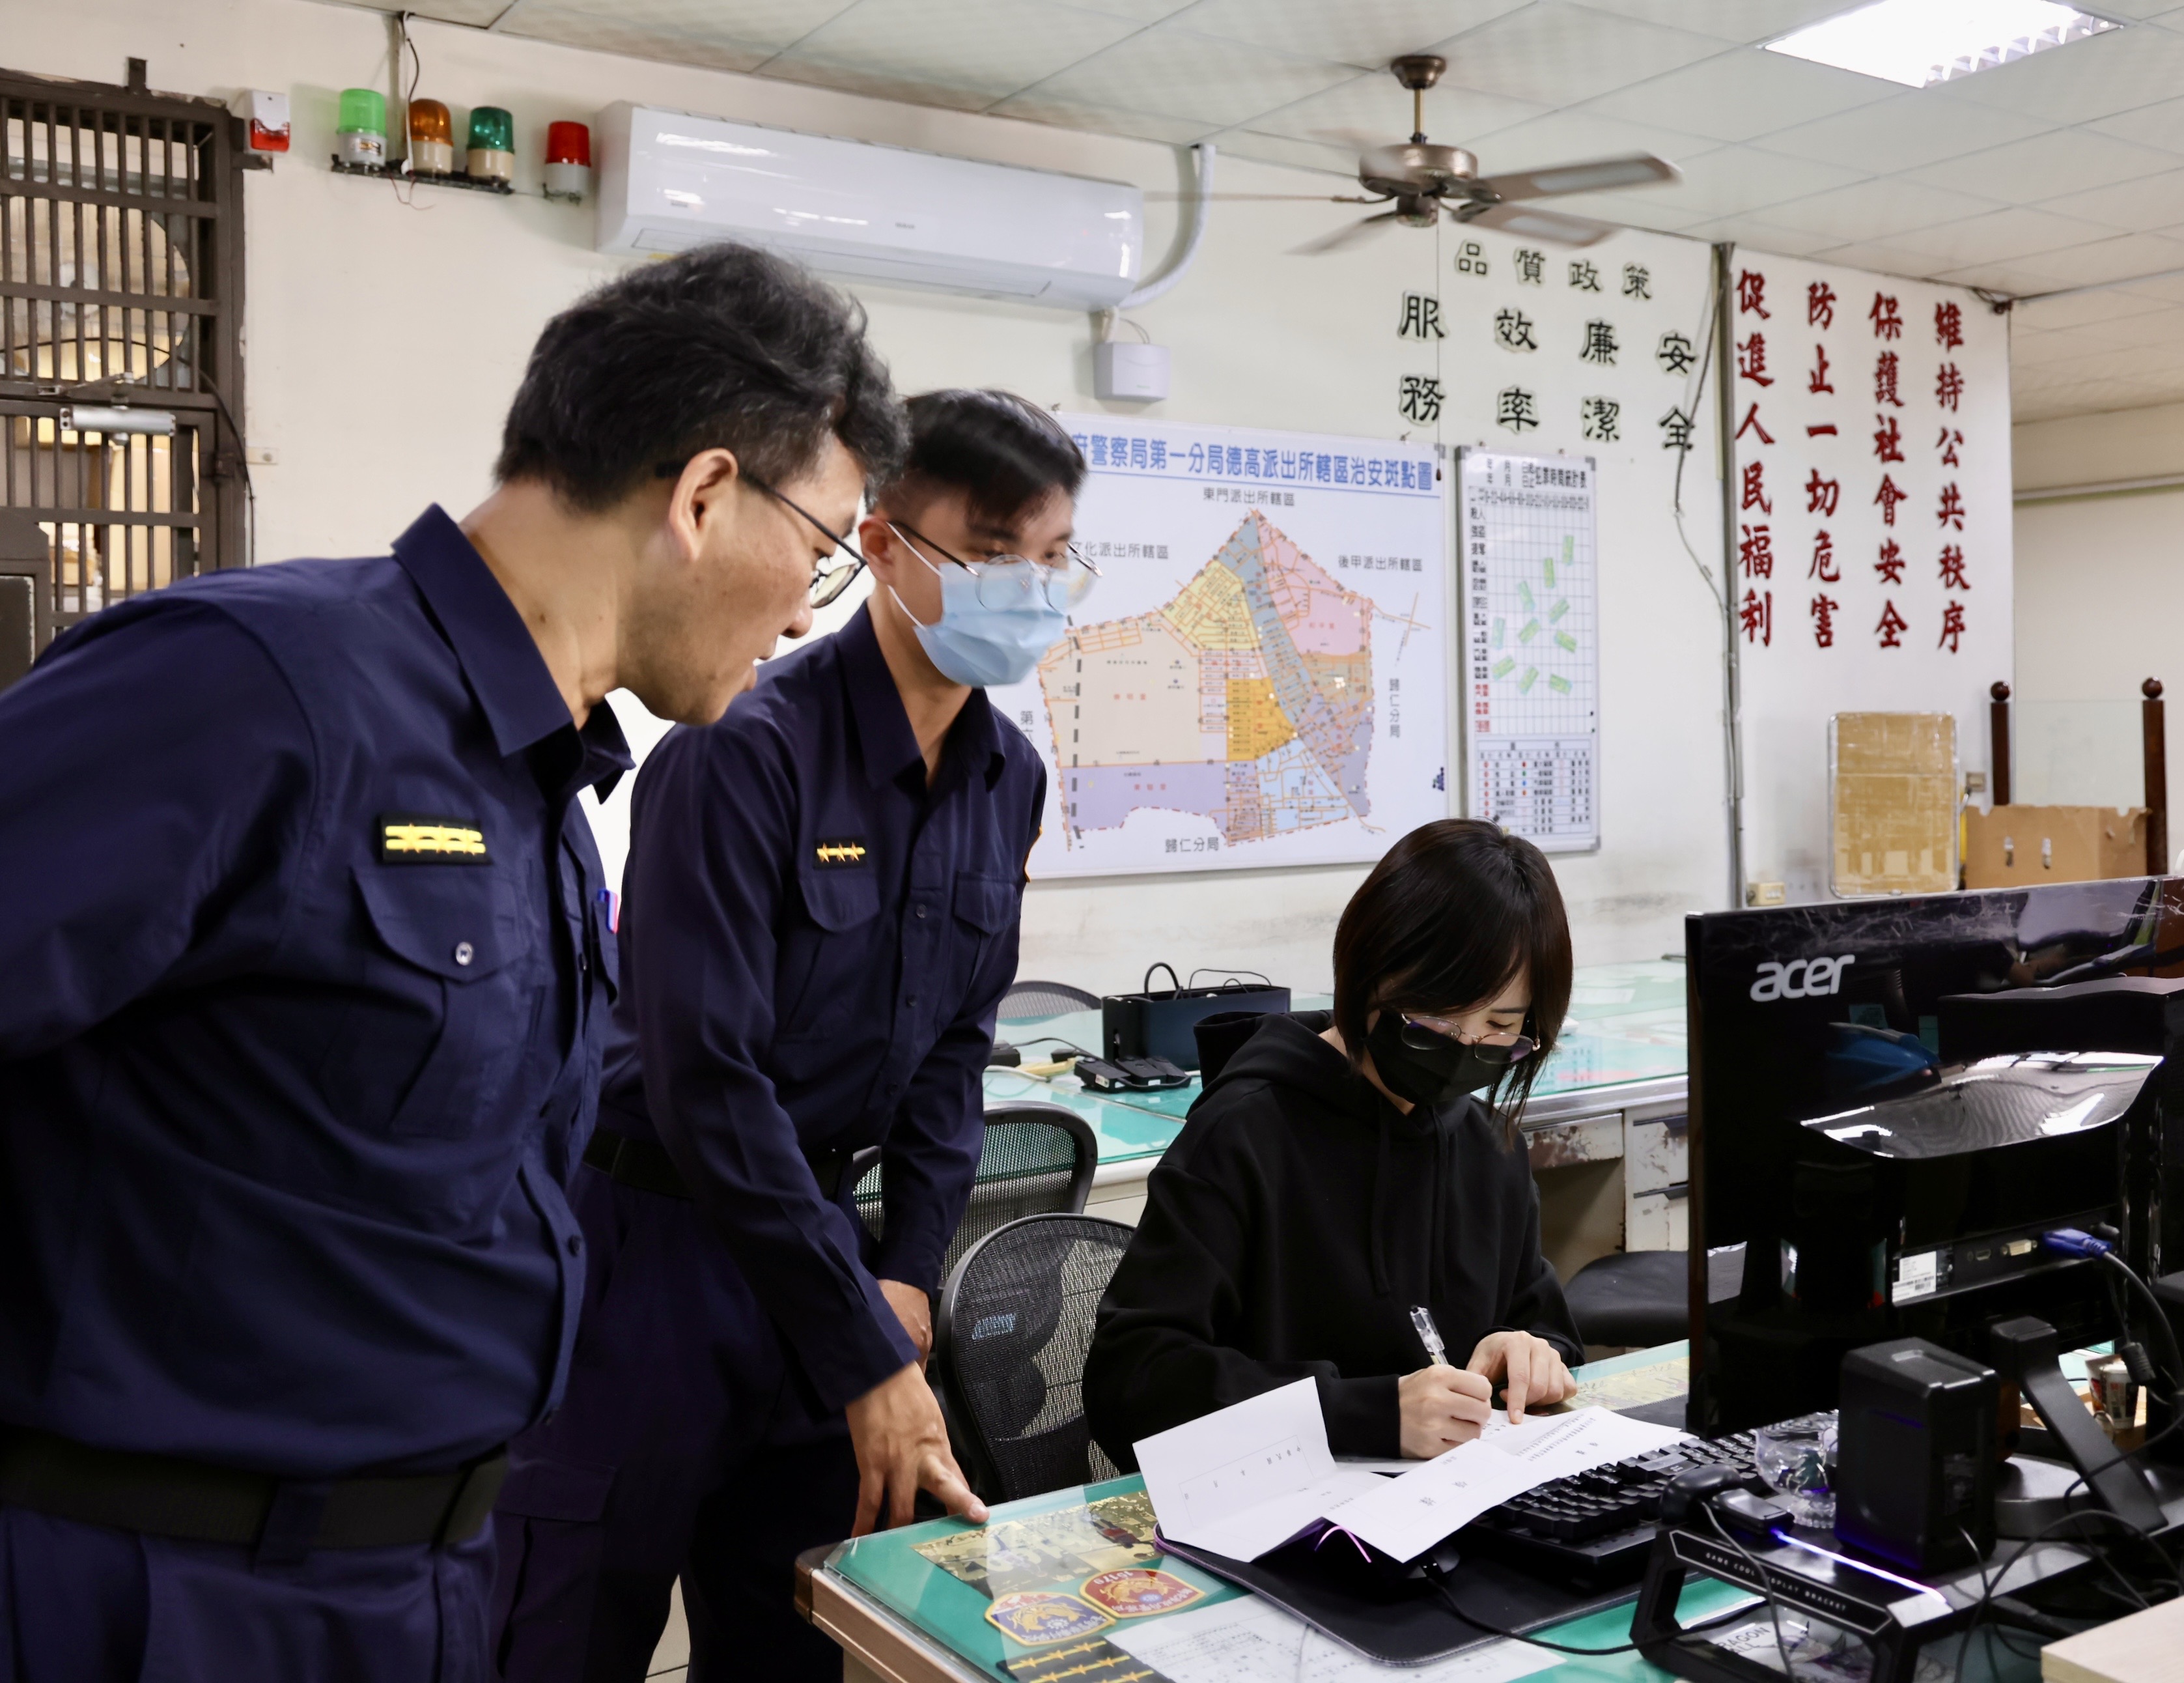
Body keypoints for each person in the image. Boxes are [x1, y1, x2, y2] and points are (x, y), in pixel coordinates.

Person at [0, 242, 901, 1680]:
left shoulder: (541, 789)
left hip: (415, 1580)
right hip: (164, 1590)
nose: (807, 612)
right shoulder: (260, 686)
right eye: (828, 549)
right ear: (706, 493)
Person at [490, 391, 1074, 1682]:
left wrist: (910, 1270)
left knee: (803, 1636)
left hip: (824, 1255)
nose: (1029, 589)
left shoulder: (1005, 778)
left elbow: (951, 1050)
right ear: (881, 543)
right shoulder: (740, 750)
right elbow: (708, 1081)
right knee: (567, 1633)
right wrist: (862, 1333)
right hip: (654, 1255)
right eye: (993, 554)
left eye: (1052, 557)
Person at [1084, 819, 1584, 1469]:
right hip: (1279, 1524)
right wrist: (1362, 1412)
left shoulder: (1490, 1146)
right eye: (1435, 1018)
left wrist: (1530, 1354)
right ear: (1369, 974)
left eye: (1499, 1025)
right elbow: (1131, 1384)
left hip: (1452, 1514)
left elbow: (1544, 1326)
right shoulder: (1246, 1134)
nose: (1462, 1049)